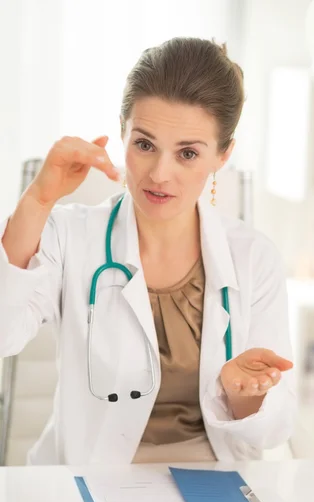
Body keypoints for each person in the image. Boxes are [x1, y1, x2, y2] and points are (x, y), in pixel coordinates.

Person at [0, 37, 295, 465]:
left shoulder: (254, 258)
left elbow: (274, 429)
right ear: (122, 130)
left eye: (188, 153)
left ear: (223, 155)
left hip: (213, 481)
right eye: (144, 144)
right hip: (90, 480)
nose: (159, 174)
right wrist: (38, 201)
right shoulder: (70, 235)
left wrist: (241, 392)